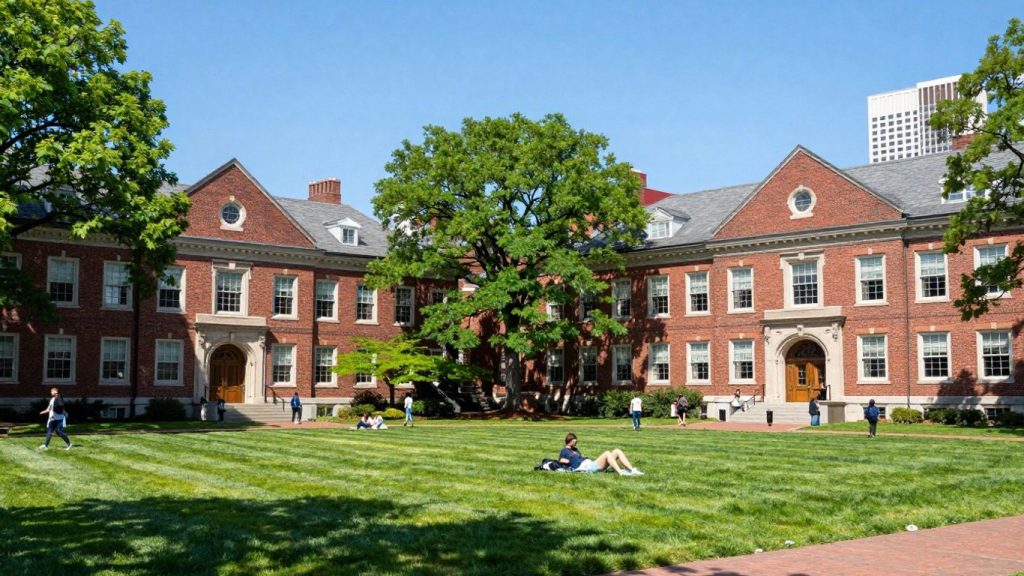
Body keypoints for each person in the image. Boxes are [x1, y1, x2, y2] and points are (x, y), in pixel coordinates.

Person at [558, 432, 643, 476]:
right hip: (588, 467)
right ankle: (620, 472)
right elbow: (561, 460)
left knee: (617, 451)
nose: (576, 443)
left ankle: (632, 470)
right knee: (606, 453)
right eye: (574, 441)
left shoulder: (575, 449)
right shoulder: (564, 451)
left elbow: (580, 457)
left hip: (590, 463)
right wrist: (568, 461)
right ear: (570, 441)